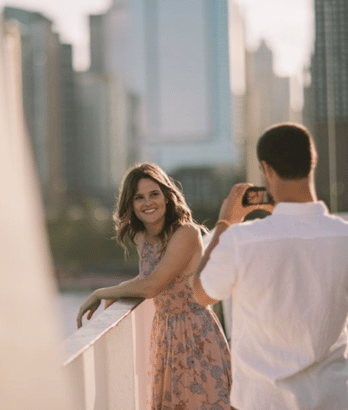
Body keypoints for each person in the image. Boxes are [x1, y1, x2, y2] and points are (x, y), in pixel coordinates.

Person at [190, 123, 348, 410]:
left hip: (263, 402)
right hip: (334, 398)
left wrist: (225, 222)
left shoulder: (240, 241)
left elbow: (201, 293)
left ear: (266, 169)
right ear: (313, 162)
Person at [77, 162, 232, 410]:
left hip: (195, 333)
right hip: (165, 333)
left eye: (154, 194)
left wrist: (102, 292)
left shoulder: (186, 233)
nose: (148, 203)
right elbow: (145, 278)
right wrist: (122, 290)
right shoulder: (142, 237)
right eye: (139, 197)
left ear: (167, 197)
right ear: (131, 204)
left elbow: (153, 286)